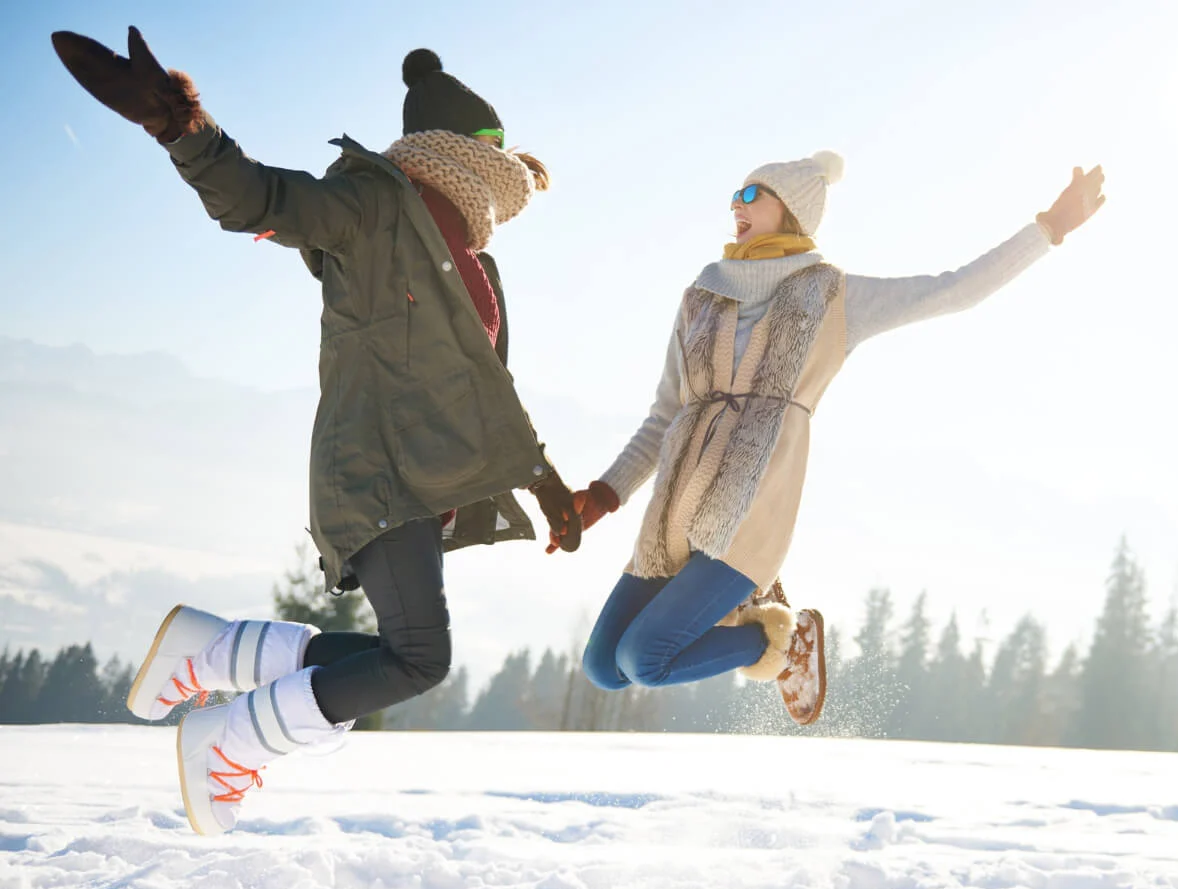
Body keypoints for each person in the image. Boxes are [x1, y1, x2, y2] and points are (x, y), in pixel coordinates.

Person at [52, 27, 581, 835]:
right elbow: (261, 196)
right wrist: (183, 128)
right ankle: (227, 737)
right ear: (470, 154)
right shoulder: (373, 208)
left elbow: (484, 390)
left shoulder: (473, 260)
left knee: (401, 657)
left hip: (416, 482)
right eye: (498, 153)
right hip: (372, 472)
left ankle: (213, 653)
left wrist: (545, 482)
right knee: (417, 659)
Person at [561, 150, 1105, 725]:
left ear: (790, 209)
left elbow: (956, 290)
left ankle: (782, 643)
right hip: (675, 509)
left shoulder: (833, 296)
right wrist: (604, 495)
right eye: (734, 196)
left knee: (645, 660)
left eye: (750, 196)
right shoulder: (702, 296)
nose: (734, 207)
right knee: (604, 666)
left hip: (752, 510)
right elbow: (665, 414)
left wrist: (1048, 229)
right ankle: (765, 627)